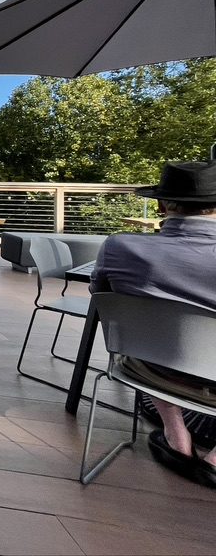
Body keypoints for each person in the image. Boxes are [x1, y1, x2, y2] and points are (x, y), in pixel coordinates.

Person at [90, 159, 216, 488]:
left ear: (160, 204)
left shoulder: (119, 248)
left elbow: (101, 299)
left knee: (149, 340)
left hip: (148, 371)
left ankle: (175, 434)